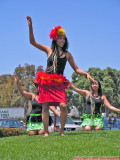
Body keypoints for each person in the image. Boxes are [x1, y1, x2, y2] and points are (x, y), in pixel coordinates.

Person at [26, 16, 95, 136]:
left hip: (58, 84)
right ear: (55, 39)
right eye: (59, 38)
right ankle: (46, 132)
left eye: (63, 38)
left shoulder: (68, 55)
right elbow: (32, 42)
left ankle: (62, 130)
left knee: (63, 106)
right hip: (46, 82)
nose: (62, 40)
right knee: (46, 107)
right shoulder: (49, 50)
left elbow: (76, 69)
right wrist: (30, 26)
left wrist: (86, 73)